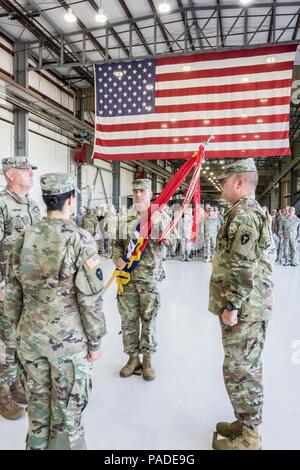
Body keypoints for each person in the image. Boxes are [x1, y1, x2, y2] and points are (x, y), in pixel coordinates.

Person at [3, 173, 106, 450]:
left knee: (37, 413)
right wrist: (95, 342)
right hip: (68, 347)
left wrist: (13, 339)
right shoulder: (80, 240)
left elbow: (12, 295)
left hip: (30, 341)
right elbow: (91, 300)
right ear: (70, 199)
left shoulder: (24, 238)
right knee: (67, 416)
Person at [209, 158, 275, 451]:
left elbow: (242, 266)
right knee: (240, 367)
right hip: (247, 306)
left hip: (245, 309)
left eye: (225, 180)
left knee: (242, 370)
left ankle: (250, 439)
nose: (221, 186)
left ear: (239, 182)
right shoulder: (241, 211)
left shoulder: (245, 215)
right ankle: (244, 421)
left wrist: (232, 305)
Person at [112, 179, 168, 381]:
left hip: (149, 277)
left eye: (142, 191)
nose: (138, 195)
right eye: (135, 191)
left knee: (148, 318)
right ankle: (132, 358)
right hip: (126, 277)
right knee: (127, 319)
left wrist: (157, 221)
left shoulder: (159, 216)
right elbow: (116, 243)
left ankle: (148, 359)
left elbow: (169, 241)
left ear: (150, 194)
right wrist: (116, 257)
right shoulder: (123, 217)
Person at [0, 156, 40, 420]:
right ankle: (3, 391)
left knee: (22, 339)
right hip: (7, 287)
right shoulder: (1, 204)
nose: (31, 173)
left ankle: (15, 384)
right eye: (26, 170)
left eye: (31, 170)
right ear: (10, 174)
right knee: (6, 341)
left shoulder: (33, 206)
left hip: (28, 287)